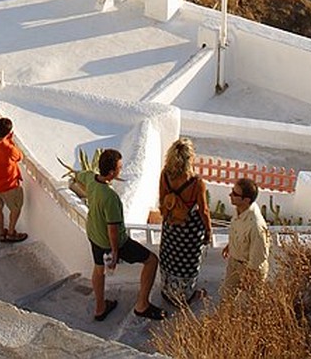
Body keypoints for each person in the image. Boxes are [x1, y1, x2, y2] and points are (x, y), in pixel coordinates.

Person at [74, 149, 163, 322]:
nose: (121, 170)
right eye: (120, 167)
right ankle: (142, 305)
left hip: (94, 235)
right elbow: (113, 229)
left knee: (99, 270)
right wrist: (115, 252)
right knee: (152, 261)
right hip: (113, 242)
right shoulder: (111, 197)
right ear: (112, 172)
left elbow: (78, 177)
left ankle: (100, 308)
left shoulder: (91, 179)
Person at [158, 137, 212, 306]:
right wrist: (208, 230)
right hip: (189, 230)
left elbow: (162, 200)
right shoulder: (196, 182)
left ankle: (168, 292)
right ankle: (185, 296)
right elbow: (203, 210)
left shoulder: (165, 175)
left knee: (169, 258)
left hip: (171, 226)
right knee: (187, 263)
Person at [222, 178, 270, 299]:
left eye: (235, 194)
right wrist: (230, 246)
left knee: (250, 307)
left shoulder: (256, 224)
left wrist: (249, 275)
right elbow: (238, 230)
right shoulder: (239, 209)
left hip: (250, 269)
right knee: (226, 300)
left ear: (246, 200)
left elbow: (259, 254)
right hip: (234, 263)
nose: (230, 195)